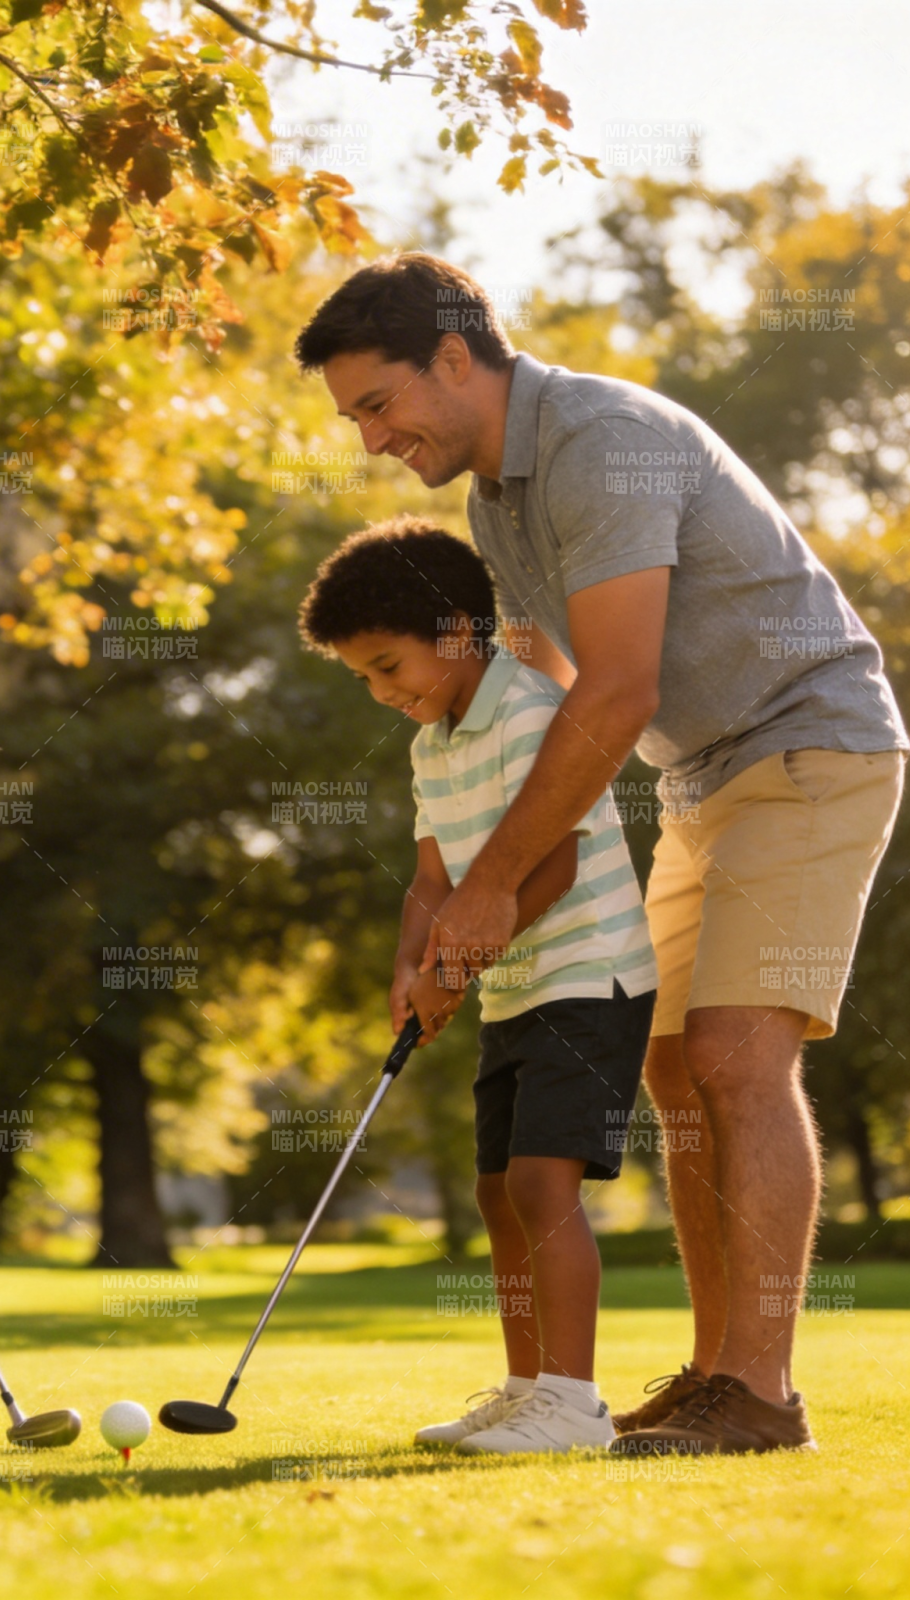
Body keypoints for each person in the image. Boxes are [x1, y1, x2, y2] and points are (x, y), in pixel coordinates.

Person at [295, 254, 908, 1454]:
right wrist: (469, 884)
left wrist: (486, 890)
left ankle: (762, 1392)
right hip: (698, 776)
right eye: (354, 417)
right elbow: (547, 699)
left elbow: (617, 687)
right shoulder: (494, 502)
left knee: (736, 1058)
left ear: (457, 358)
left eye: (378, 403)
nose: (370, 439)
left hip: (805, 739)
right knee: (674, 1073)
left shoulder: (599, 440)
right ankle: (714, 1370)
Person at [300, 519, 657, 1454]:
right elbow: (432, 880)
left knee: (545, 1187)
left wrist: (456, 966)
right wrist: (410, 967)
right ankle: (526, 1386)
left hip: (590, 975)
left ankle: (573, 1404)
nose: (382, 693)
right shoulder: (432, 746)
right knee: (498, 1192)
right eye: (364, 679)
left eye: (389, 667)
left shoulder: (537, 713)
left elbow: (554, 870)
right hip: (514, 992)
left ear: (459, 633)